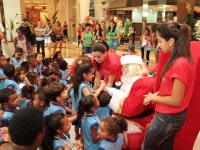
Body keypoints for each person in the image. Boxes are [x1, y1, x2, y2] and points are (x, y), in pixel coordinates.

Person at [141, 21, 196, 150]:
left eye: (160, 41)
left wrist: (152, 98)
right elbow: (171, 89)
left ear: (171, 40)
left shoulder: (180, 63)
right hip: (171, 116)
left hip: (169, 116)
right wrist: (156, 94)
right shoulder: (179, 60)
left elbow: (176, 100)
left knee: (146, 147)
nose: (158, 45)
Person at [106, 55, 155, 133]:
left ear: (132, 68)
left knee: (109, 128)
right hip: (131, 116)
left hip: (139, 120)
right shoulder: (134, 79)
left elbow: (131, 108)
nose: (122, 70)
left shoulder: (143, 83)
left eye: (125, 67)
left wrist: (114, 92)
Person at [70, 62, 105, 140]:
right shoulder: (83, 86)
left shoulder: (81, 83)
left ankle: (77, 135)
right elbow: (91, 97)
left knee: (78, 125)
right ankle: (82, 143)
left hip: (77, 110)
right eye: (92, 74)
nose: (93, 76)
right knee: (84, 131)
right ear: (84, 75)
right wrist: (101, 88)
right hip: (82, 112)